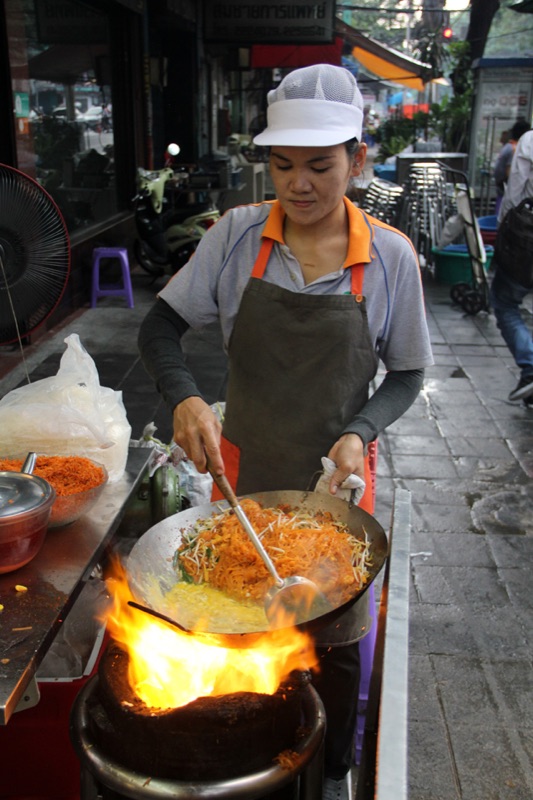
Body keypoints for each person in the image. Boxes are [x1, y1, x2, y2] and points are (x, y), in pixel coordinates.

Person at [138, 63, 433, 800]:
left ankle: (328, 771)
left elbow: (406, 373)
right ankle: (249, 758)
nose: (298, 184)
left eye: (319, 165)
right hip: (242, 480)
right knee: (240, 630)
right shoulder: (237, 237)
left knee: (334, 642)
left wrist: (360, 429)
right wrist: (185, 397)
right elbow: (160, 326)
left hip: (336, 494)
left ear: (356, 160)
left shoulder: (389, 257)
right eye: (282, 164)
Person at [491, 126, 533, 404]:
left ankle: (530, 367)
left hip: (526, 239)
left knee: (505, 302)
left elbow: (515, 192)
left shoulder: (529, 141)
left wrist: (504, 230)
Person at [493, 120, 530, 216]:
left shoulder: (510, 146)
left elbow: (512, 175)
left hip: (503, 190)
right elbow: (509, 172)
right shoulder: (513, 148)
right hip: (504, 190)